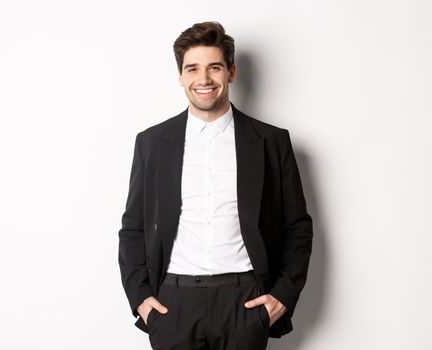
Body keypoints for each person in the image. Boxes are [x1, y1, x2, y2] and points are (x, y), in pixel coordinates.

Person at [118, 21, 313, 350]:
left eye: (214, 67)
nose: (203, 79)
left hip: (244, 304)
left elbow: (297, 227)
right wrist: (140, 298)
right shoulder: (152, 143)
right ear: (180, 76)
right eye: (192, 68)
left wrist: (282, 295)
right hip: (173, 306)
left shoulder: (271, 142)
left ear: (231, 72)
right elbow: (133, 227)